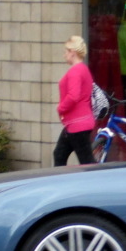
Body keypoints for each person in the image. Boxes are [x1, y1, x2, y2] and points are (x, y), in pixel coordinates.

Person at [53, 35, 96, 166]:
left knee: (87, 162)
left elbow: (73, 96)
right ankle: (61, 184)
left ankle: (97, 184)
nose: (64, 55)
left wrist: (60, 108)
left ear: (72, 52)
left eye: (66, 51)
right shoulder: (83, 69)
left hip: (78, 124)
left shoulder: (75, 71)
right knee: (59, 154)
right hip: (77, 123)